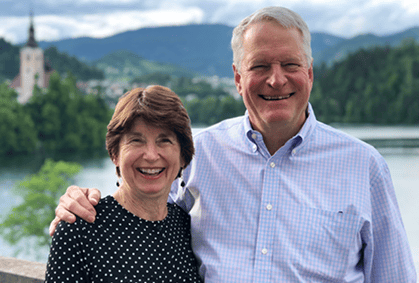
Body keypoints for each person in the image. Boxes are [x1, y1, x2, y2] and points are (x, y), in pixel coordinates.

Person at [49, 6, 417, 282]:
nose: (276, 80)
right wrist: (79, 207)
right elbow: (145, 211)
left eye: (289, 64)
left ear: (309, 73)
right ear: (238, 79)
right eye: (259, 67)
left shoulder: (363, 166)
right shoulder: (198, 152)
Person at [45, 86, 202, 282]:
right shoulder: (80, 229)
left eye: (165, 141)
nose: (152, 155)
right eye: (136, 140)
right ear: (115, 154)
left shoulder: (188, 228)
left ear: (183, 156)